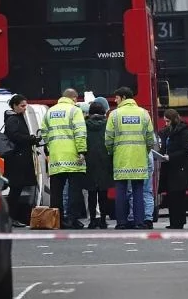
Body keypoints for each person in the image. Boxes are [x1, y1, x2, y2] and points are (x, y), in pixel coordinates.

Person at [105, 86, 156, 229]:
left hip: (121, 158)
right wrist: (144, 151)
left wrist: (111, 151)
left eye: (117, 98)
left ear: (124, 98)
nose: (115, 100)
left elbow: (108, 138)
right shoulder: (144, 114)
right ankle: (139, 222)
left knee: (120, 191)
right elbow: (150, 139)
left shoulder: (114, 115)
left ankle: (121, 223)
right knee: (138, 191)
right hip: (139, 158)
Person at [41, 88, 87, 229]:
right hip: (72, 155)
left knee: (56, 191)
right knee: (74, 190)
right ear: (74, 98)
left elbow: (44, 132)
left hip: (56, 157)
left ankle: (57, 220)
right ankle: (73, 219)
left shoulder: (50, 111)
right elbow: (80, 132)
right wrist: (82, 151)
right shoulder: (75, 110)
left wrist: (50, 147)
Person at [3, 94, 40, 228]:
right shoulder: (13, 119)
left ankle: (13, 217)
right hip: (17, 161)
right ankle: (11, 217)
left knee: (17, 190)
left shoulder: (16, 117)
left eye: (26, 105)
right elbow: (14, 136)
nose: (25, 108)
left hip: (19, 159)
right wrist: (30, 139)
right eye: (22, 106)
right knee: (15, 191)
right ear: (14, 106)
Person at [159, 109, 188, 229]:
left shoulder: (183, 131)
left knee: (179, 195)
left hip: (180, 167)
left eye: (168, 121)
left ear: (173, 120)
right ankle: (173, 221)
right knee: (171, 196)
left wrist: (170, 156)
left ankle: (179, 222)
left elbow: (185, 149)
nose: (166, 124)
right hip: (169, 167)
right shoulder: (166, 132)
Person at [84, 101, 112, 229]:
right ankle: (103, 220)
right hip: (104, 160)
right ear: (103, 112)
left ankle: (92, 220)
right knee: (103, 193)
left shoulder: (85, 124)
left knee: (91, 192)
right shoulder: (107, 124)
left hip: (89, 160)